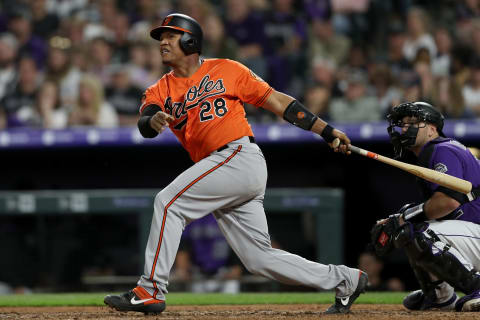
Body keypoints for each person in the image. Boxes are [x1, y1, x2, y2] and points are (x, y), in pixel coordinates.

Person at [103, 13, 367, 315]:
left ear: (191, 40)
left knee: (168, 203)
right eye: (161, 37)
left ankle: (150, 289)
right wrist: (153, 119)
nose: (162, 42)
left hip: (237, 157)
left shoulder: (226, 69)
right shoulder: (159, 89)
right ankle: (346, 279)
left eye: (170, 35)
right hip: (223, 169)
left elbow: (279, 102)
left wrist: (326, 130)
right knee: (259, 259)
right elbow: (145, 124)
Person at [372, 101, 480, 312]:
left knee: (419, 231)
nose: (405, 128)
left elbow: (448, 202)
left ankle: (476, 287)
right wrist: (402, 218)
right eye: (402, 124)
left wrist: (405, 218)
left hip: (476, 234)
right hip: (473, 235)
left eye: (413, 123)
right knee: (409, 228)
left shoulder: (442, 149)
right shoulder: (434, 152)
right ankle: (439, 297)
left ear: (432, 130)